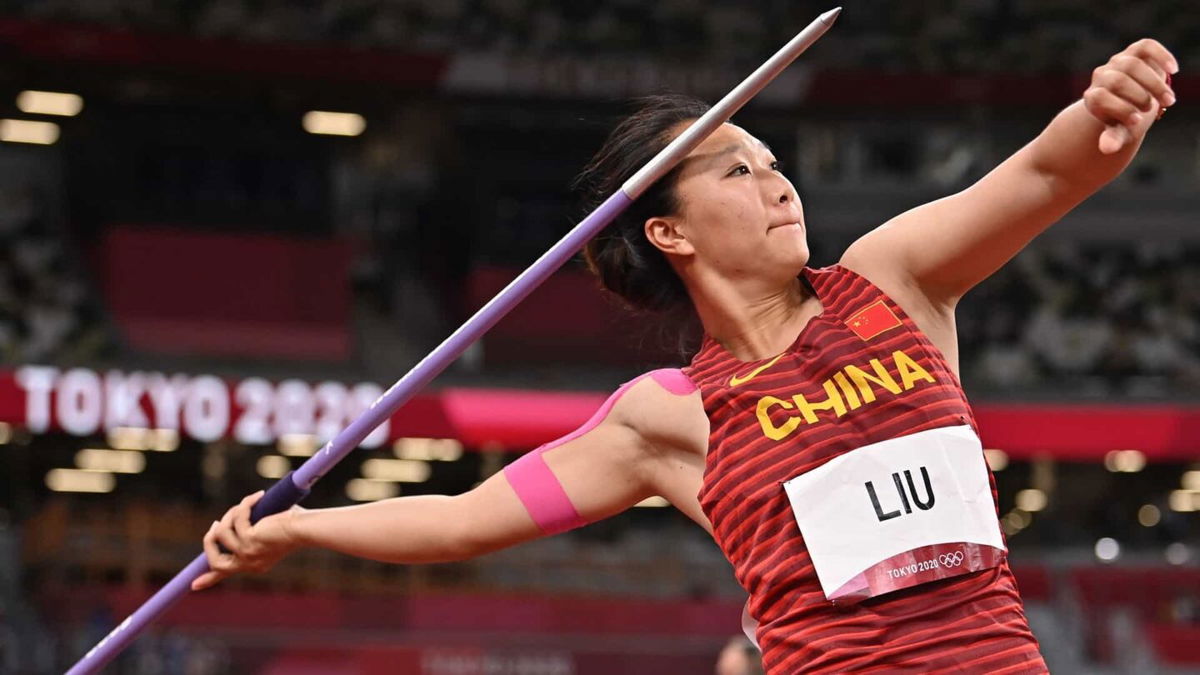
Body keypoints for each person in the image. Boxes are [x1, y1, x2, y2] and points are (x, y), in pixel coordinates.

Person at [194, 39, 1178, 673]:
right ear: (670, 234)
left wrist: (1107, 111)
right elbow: (459, 521)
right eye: (737, 170)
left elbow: (1050, 170)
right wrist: (302, 533)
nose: (778, 183)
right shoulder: (667, 420)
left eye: (775, 163)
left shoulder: (893, 282)